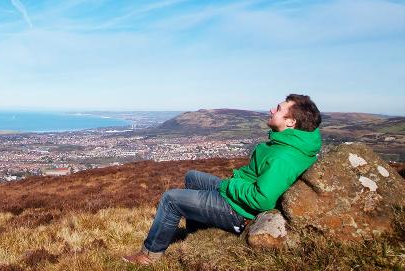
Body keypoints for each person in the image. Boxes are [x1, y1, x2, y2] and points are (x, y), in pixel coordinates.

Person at [122, 94, 322, 265]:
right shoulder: (288, 145)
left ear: (291, 122)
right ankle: (197, 233)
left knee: (170, 200)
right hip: (238, 195)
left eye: (278, 109)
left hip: (239, 211)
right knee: (192, 177)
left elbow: (263, 199)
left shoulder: (283, 157)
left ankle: (148, 255)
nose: (272, 110)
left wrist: (233, 184)